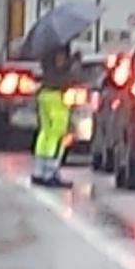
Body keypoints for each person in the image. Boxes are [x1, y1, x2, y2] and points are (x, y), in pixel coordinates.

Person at [30, 43, 78, 187]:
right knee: (58, 134)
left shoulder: (45, 49)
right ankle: (51, 172)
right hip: (56, 95)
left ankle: (39, 170)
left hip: (44, 93)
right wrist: (74, 62)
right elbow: (61, 66)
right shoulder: (60, 48)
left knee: (45, 133)